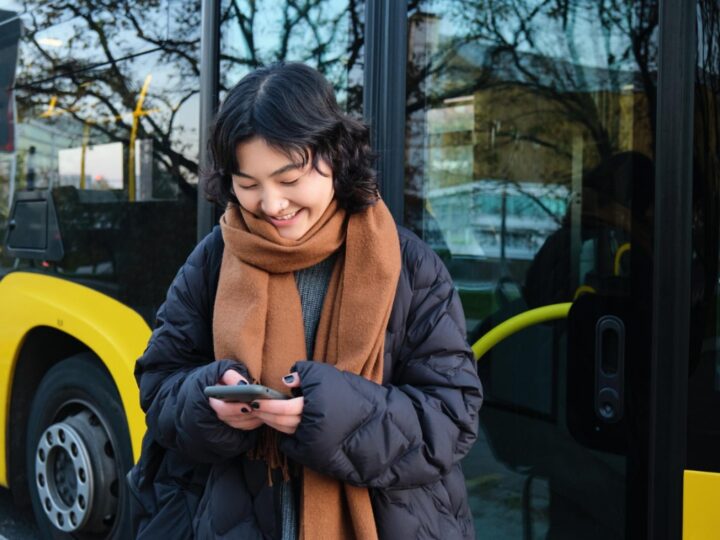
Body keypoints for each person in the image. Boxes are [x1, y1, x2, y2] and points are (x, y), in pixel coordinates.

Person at [128, 62, 483, 540]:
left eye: (289, 179)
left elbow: (451, 417)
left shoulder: (409, 265)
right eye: (248, 184)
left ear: (335, 155)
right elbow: (159, 383)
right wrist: (208, 399)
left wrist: (331, 413)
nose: (271, 204)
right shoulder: (213, 258)